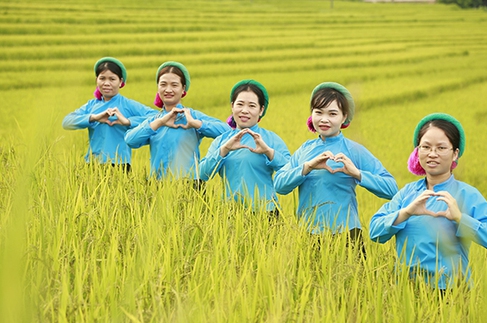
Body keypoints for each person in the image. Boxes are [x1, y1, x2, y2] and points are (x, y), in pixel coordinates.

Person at [369, 113, 487, 290]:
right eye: (425, 147)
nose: (432, 154)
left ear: (455, 154)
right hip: (406, 292)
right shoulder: (407, 193)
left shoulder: (466, 194)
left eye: (441, 148)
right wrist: (406, 212)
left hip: (452, 293)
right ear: (417, 151)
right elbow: (375, 231)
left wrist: (460, 218)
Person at [274, 82, 398, 250]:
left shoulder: (354, 151)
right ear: (312, 115)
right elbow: (279, 185)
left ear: (344, 117)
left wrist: (357, 174)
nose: (324, 119)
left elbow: (392, 189)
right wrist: (307, 167)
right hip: (308, 234)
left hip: (348, 235)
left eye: (332, 114)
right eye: (318, 112)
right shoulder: (305, 150)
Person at [124, 61, 230, 182]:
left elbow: (227, 131)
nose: (168, 89)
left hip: (189, 185)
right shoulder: (155, 120)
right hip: (157, 185)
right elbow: (130, 140)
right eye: (163, 84)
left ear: (183, 89)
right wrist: (160, 122)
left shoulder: (192, 116)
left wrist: (196, 124)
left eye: (174, 85)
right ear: (158, 88)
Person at [199, 79, 290, 216]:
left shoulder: (271, 139)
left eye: (252, 106)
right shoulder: (222, 141)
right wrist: (224, 150)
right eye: (240, 104)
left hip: (266, 213)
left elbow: (290, 172)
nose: (244, 110)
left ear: (261, 110)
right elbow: (202, 174)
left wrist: (268, 152)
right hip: (229, 214)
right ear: (232, 106)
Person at [62, 57, 157, 171]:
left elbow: (156, 117)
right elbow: (66, 122)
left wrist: (128, 121)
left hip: (120, 165)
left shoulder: (127, 104)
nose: (106, 83)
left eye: (112, 79)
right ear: (96, 80)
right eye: (102, 78)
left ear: (121, 82)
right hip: (92, 164)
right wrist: (94, 118)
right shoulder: (91, 105)